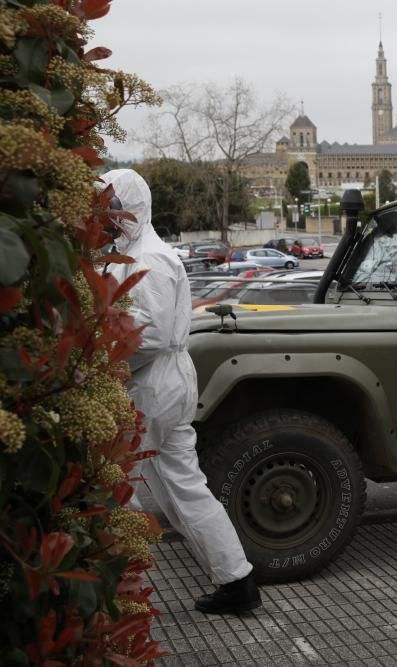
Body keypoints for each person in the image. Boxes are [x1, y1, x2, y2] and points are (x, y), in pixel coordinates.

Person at [101, 169, 261, 615]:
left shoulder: (146, 260)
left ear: (130, 208)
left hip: (150, 384)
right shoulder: (143, 253)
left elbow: (145, 338)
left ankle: (118, 596)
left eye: (112, 208)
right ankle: (237, 579)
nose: (107, 218)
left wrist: (98, 361)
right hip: (168, 383)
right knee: (185, 486)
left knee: (118, 485)